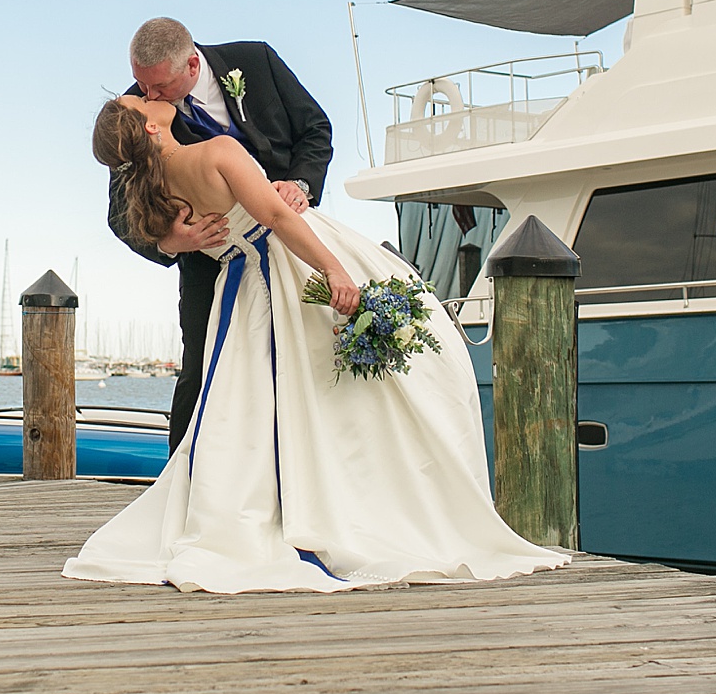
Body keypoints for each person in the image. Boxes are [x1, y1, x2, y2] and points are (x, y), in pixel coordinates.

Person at [66, 95, 569, 593]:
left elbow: (170, 241)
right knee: (371, 382)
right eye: (141, 101)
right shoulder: (217, 151)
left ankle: (296, 504)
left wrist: (177, 242)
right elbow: (280, 220)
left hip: (239, 288)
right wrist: (333, 269)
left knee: (259, 407)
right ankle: (369, 504)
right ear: (150, 128)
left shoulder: (157, 187)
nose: (151, 98)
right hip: (287, 269)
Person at [109, 18, 332, 453]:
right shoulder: (136, 111)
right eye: (141, 84)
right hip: (207, 256)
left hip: (288, 239)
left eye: (158, 86)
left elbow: (315, 129)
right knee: (200, 368)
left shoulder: (256, 60)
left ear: (193, 64)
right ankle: (183, 483)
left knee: (298, 360)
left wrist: (300, 185)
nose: (147, 96)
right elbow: (119, 213)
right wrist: (170, 242)